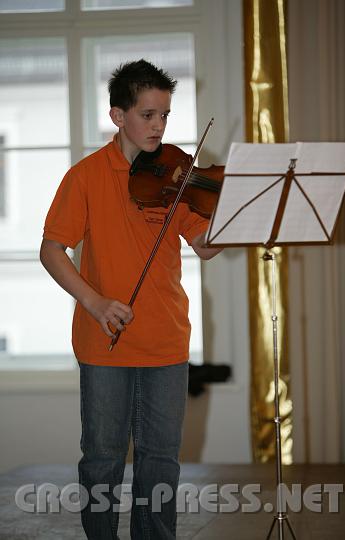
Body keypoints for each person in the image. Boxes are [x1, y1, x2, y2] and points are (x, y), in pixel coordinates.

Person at [40, 59, 221, 540]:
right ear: (118, 115)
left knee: (161, 463)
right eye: (148, 115)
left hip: (166, 339)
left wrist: (235, 217)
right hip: (106, 340)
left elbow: (204, 245)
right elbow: (52, 250)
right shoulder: (85, 176)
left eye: (165, 115)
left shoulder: (176, 175)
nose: (159, 126)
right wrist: (96, 303)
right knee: (102, 459)